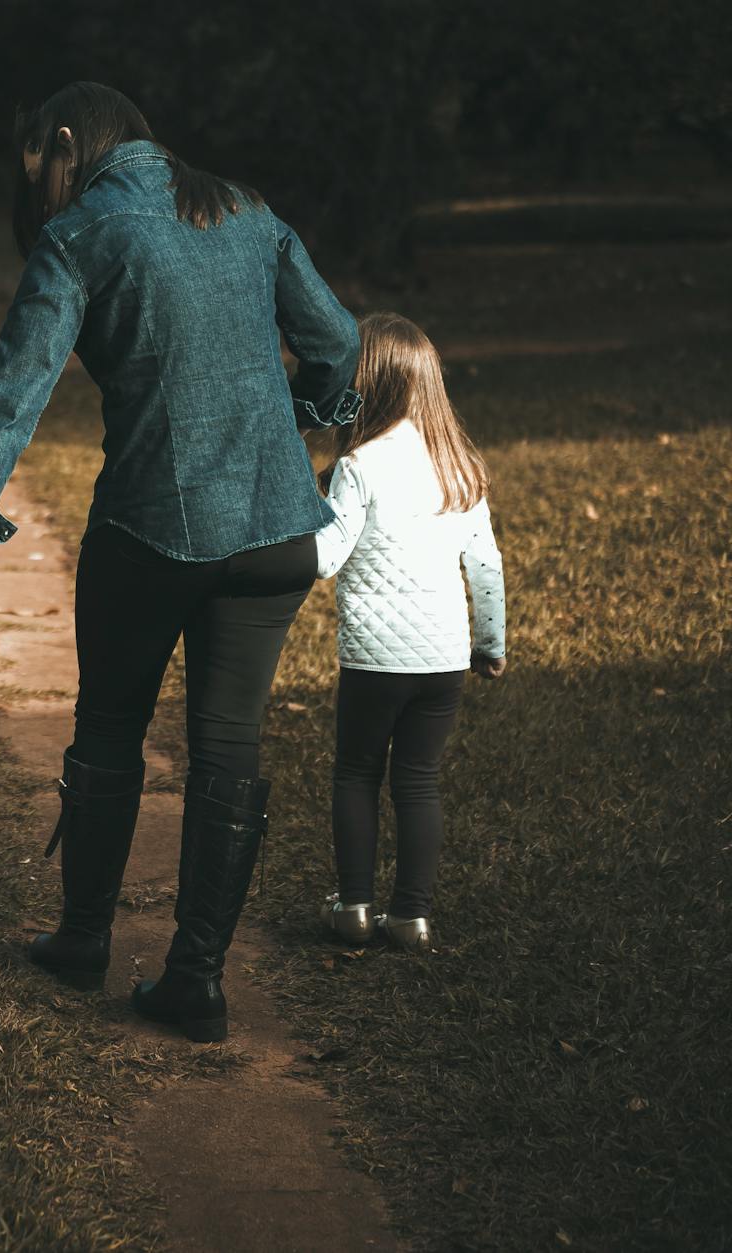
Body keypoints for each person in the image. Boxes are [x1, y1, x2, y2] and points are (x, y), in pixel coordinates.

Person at [0, 82, 360, 1042]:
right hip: (277, 537)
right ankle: (196, 981)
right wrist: (301, 420)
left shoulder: (82, 234)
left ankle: (83, 939)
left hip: (150, 533)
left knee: (109, 728)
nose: (46, 195)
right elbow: (340, 345)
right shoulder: (246, 208)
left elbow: (10, 394)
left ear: (67, 144)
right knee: (230, 746)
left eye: (43, 172)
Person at [314, 312, 506, 951]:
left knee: (358, 774)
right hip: (444, 658)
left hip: (373, 661)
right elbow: (484, 565)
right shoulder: (459, 468)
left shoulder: (360, 466)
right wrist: (490, 645)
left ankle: (354, 910)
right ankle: (412, 918)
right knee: (419, 779)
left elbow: (326, 559)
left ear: (365, 383)